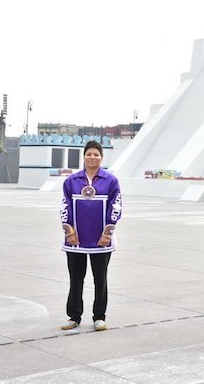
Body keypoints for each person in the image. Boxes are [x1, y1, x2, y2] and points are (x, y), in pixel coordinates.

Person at [59, 140, 122, 332]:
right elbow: (64, 206)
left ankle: (99, 317)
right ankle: (74, 316)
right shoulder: (71, 181)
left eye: (96, 154)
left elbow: (116, 207)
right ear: (84, 156)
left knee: (100, 279)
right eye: (89, 154)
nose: (92, 157)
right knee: (76, 279)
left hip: (101, 241)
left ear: (101, 158)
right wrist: (69, 231)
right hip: (75, 241)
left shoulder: (111, 181)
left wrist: (107, 233)